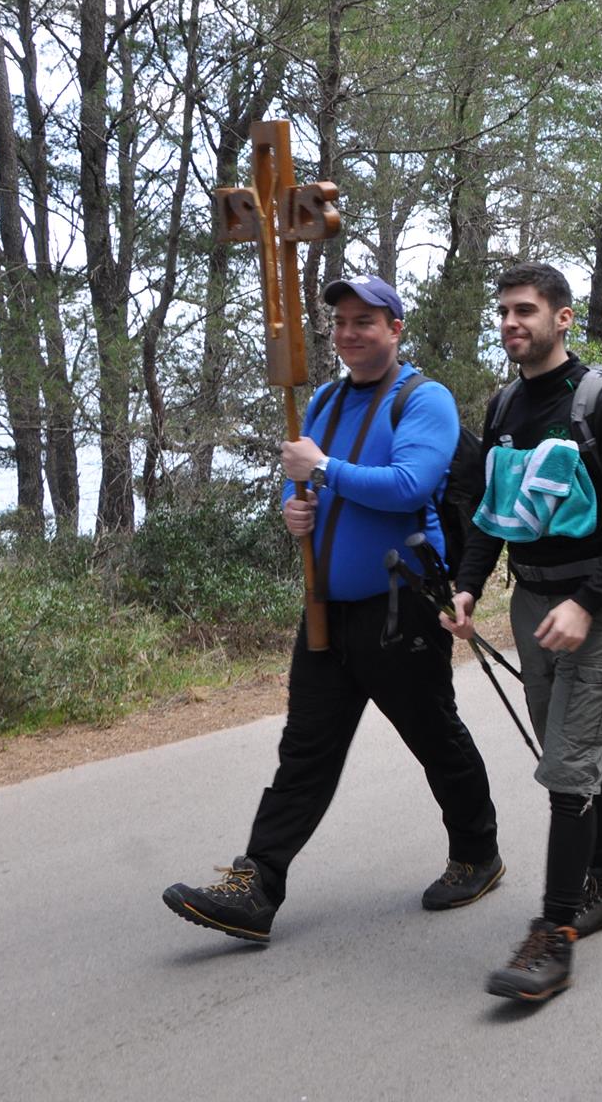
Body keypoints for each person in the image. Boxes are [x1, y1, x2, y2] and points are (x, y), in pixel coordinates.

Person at [161, 275, 501, 945]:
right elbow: (308, 490)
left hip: (399, 608)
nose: (348, 333)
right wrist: (295, 513)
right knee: (305, 752)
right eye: (340, 322)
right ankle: (257, 884)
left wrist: (320, 470)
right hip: (325, 610)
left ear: (395, 328)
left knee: (434, 737)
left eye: (364, 322)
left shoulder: (423, 399)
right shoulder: (321, 401)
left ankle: (477, 854)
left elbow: (410, 486)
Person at [445, 262, 602, 1002]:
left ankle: (555, 932)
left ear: (563, 318)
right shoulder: (503, 405)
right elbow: (488, 511)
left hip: (595, 605)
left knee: (567, 766)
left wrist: (591, 603)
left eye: (526, 310)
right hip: (532, 605)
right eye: (503, 310)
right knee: (573, 753)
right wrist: (468, 585)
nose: (511, 322)